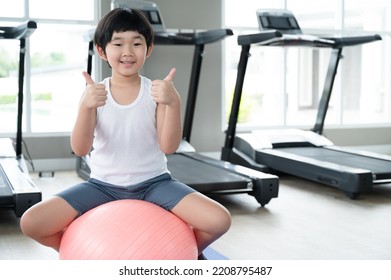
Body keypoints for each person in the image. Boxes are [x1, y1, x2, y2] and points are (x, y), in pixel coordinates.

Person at [20, 8, 231, 260]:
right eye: (118, 43)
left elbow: (168, 146)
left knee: (220, 219)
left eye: (137, 43)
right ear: (101, 51)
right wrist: (87, 106)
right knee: (30, 222)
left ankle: (188, 254)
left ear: (148, 49)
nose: (128, 52)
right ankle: (77, 251)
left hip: (155, 185)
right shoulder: (93, 94)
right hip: (102, 187)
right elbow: (80, 149)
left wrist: (173, 103)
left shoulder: (157, 93)